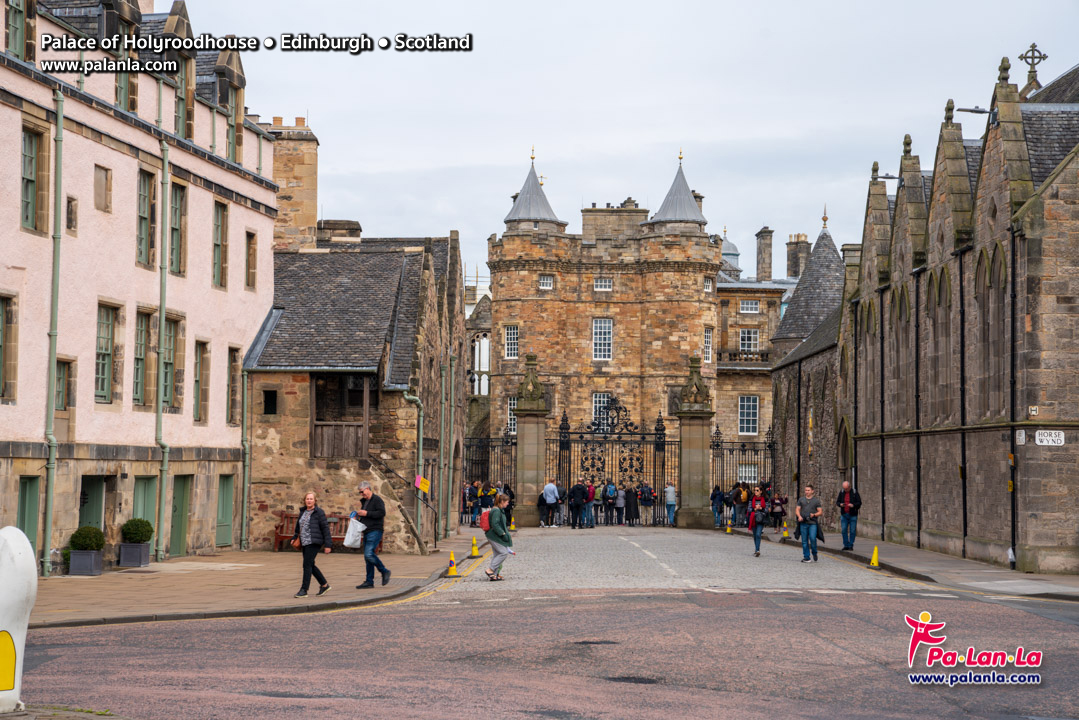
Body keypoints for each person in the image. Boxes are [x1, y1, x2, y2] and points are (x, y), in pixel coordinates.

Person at [292, 491, 331, 598]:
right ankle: (324, 585)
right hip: (304, 542)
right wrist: (294, 537)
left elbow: (325, 529)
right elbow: (298, 528)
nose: (309, 501)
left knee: (306, 565)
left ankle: (304, 590)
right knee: (310, 565)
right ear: (304, 500)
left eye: (311, 499)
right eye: (307, 499)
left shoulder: (319, 512)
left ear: (315, 500)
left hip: (314, 541)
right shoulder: (303, 512)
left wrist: (328, 545)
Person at [354, 481, 391, 587]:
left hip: (375, 530)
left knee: (369, 554)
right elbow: (366, 517)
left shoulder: (377, 500)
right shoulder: (365, 501)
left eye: (362, 491)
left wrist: (366, 513)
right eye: (360, 493)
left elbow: (381, 513)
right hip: (367, 530)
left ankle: (384, 571)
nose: (361, 494)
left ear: (368, 488)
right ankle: (369, 581)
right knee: (367, 557)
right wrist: (358, 517)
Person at [484, 493, 514, 581]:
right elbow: (495, 524)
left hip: (494, 535)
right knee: (503, 552)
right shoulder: (496, 510)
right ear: (502, 502)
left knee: (497, 554)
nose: (508, 504)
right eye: (507, 502)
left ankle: (494, 574)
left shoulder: (499, 510)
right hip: (494, 536)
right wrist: (503, 534)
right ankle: (490, 570)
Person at [795, 483, 823, 563]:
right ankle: (806, 557)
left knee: (813, 538)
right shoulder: (801, 500)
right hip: (803, 523)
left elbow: (820, 512)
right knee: (804, 541)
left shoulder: (816, 501)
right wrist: (799, 516)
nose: (806, 492)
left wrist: (814, 514)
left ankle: (814, 552)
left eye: (808, 490)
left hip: (812, 523)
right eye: (806, 490)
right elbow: (797, 509)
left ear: (812, 491)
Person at [835, 480, 862, 550]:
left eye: (846, 488)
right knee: (844, 530)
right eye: (844, 488)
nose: (845, 490)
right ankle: (846, 544)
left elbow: (859, 503)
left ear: (849, 487)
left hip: (853, 515)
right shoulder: (841, 492)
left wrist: (853, 505)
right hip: (844, 514)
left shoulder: (854, 493)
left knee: (852, 531)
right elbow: (837, 502)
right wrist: (840, 504)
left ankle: (851, 545)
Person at [748, 485, 768, 557]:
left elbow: (766, 510)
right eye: (755, 490)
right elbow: (749, 509)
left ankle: (757, 550)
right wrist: (755, 509)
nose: (755, 492)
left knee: (758, 534)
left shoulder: (765, 499)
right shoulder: (751, 499)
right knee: (755, 535)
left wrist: (761, 508)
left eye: (757, 490)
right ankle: (757, 549)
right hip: (753, 518)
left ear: (761, 491)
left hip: (760, 518)